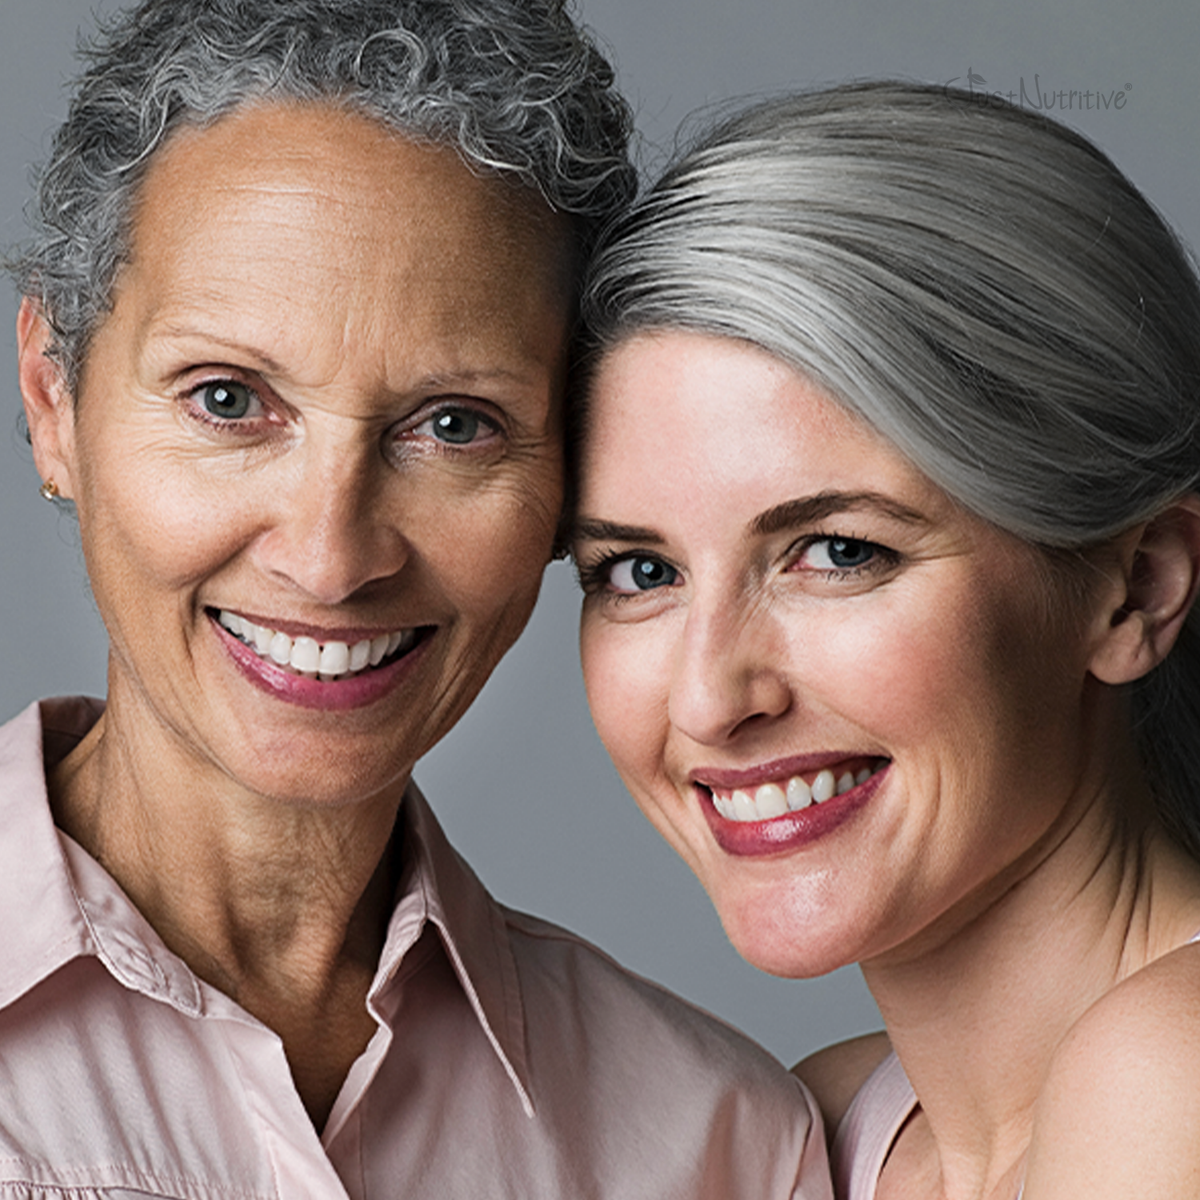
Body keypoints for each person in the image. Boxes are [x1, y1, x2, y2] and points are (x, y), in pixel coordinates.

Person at [4, 1, 832, 1195]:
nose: (330, 559)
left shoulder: (722, 1144)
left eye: (453, 426)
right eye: (228, 400)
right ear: (53, 400)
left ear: (574, 473)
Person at [572, 80, 1200, 1200]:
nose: (709, 699)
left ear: (1137, 589)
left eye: (839, 552)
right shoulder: (823, 1127)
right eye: (640, 572)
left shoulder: (1175, 1066)